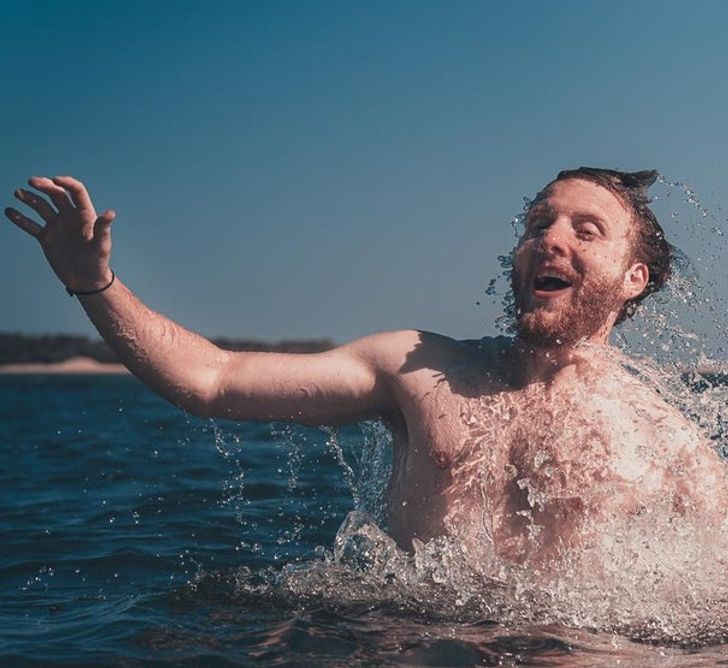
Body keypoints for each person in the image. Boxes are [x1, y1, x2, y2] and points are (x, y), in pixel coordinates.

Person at [6, 168, 727, 573]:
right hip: (411, 641)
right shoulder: (419, 369)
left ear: (635, 277)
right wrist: (93, 285)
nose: (549, 241)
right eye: (539, 224)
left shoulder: (670, 447)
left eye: (584, 230)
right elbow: (214, 380)